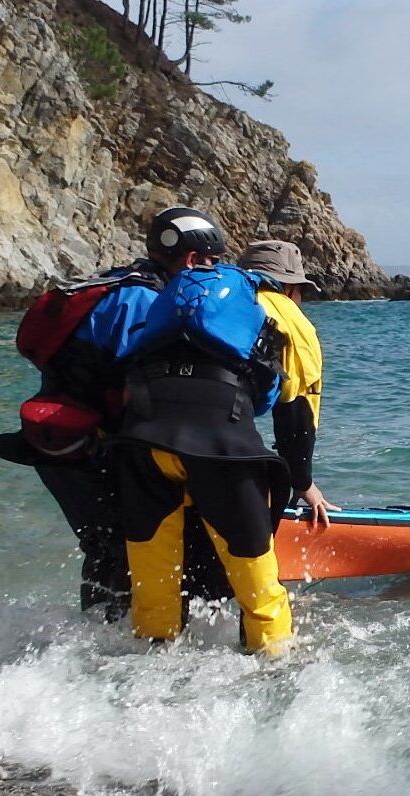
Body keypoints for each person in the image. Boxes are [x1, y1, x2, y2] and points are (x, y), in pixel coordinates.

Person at [115, 207, 296, 657]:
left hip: (141, 444)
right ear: (207, 256)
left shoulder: (155, 299)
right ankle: (277, 671)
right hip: (221, 447)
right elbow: (272, 394)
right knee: (257, 582)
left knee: (153, 578)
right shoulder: (258, 297)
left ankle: (148, 664)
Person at [0, 228, 172, 620]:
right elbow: (134, 387)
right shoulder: (144, 300)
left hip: (51, 437)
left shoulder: (106, 286)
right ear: (191, 259)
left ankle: (91, 636)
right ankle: (119, 646)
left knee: (98, 543)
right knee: (126, 541)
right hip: (94, 443)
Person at [235, 239, 338, 529]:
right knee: (249, 561)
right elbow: (298, 406)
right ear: (290, 288)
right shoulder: (290, 318)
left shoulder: (213, 301)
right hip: (214, 440)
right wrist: (302, 481)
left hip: (141, 437)